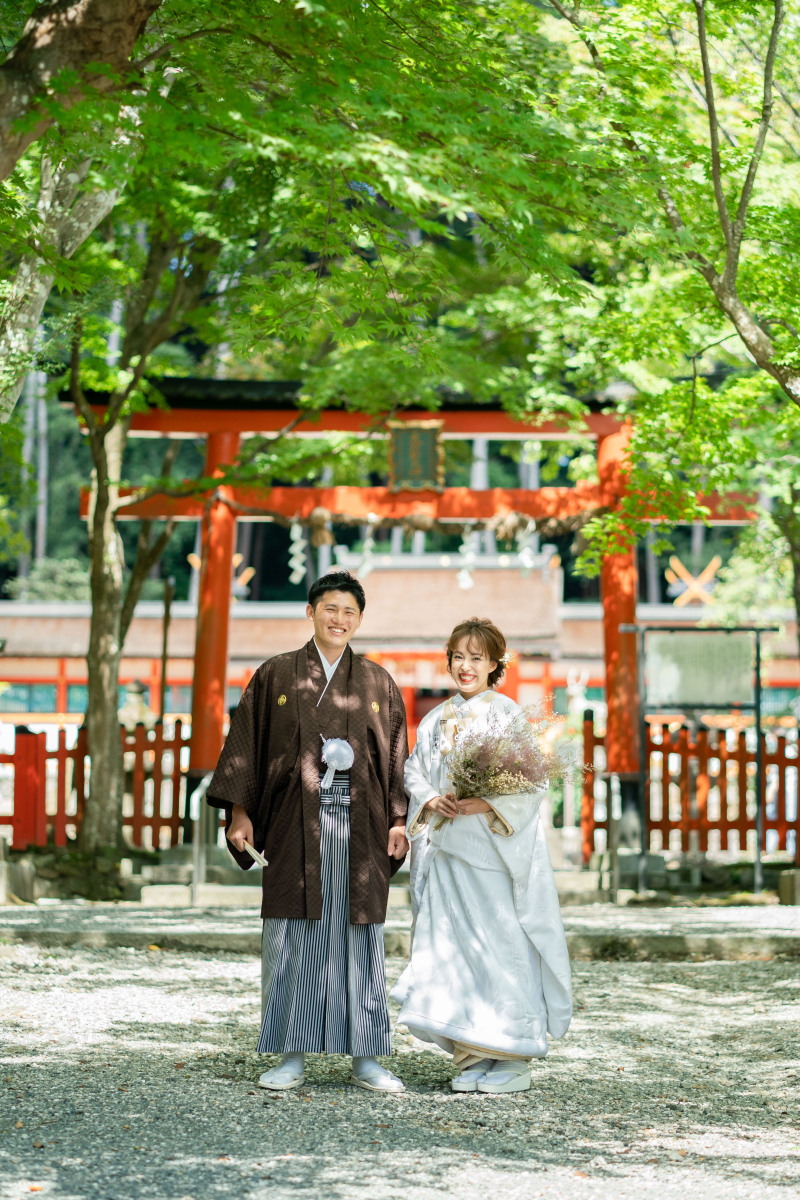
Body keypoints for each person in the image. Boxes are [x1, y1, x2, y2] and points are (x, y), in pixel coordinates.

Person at [206, 570, 410, 1093]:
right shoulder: (276, 675)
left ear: (359, 620)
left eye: (350, 612)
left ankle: (367, 1057)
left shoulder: (377, 683)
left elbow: (394, 758)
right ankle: (289, 1054)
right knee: (293, 937)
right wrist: (239, 811)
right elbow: (245, 746)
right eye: (330, 608)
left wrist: (397, 819)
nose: (339, 619)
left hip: (359, 830)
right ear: (311, 612)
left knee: (359, 938)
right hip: (295, 826)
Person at [392, 617, 572, 1094]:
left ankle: (512, 1055)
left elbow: (531, 783)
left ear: (495, 665)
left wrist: (481, 801)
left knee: (501, 948)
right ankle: (473, 1052)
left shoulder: (507, 715)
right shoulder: (435, 718)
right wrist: (431, 798)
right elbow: (413, 771)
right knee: (454, 950)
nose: (466, 666)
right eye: (458, 657)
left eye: (477, 658)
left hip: (491, 854)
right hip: (447, 852)